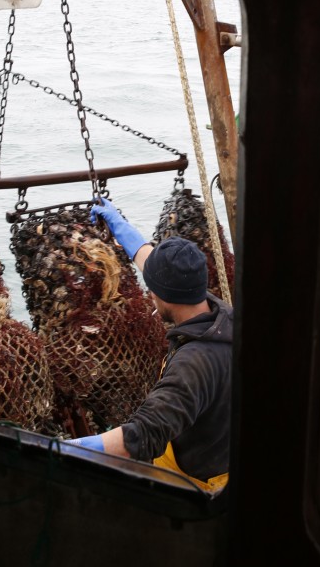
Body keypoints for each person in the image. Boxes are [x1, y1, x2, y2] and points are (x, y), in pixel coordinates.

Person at [62, 197, 232, 492]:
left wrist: (62, 448)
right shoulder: (222, 314)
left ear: (162, 294)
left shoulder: (192, 364)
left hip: (203, 486)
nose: (149, 294)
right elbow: (148, 260)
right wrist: (117, 224)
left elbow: (142, 434)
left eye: (151, 289)